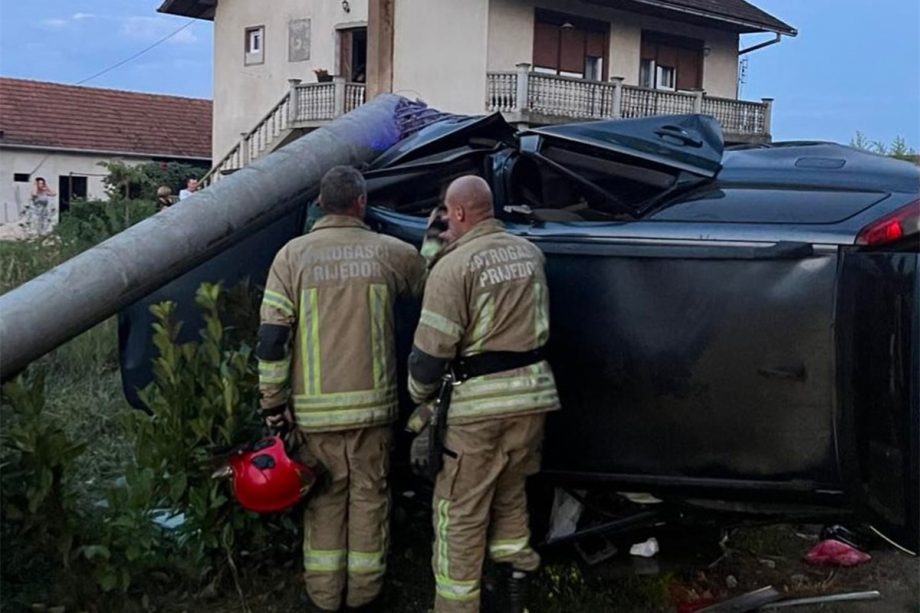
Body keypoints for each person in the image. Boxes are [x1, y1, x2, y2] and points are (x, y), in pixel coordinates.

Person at [257, 165, 426, 612]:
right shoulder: (389, 252)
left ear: (320, 204)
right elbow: (431, 279)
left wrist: (273, 405)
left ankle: (324, 599)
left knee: (323, 505)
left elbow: (272, 340)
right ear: (361, 203)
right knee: (370, 501)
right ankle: (366, 599)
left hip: (315, 418)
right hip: (373, 411)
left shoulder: (291, 257)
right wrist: (435, 236)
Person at [406, 175, 560, 613]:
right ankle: (514, 582)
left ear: (457, 212)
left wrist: (419, 398)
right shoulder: (529, 253)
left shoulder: (454, 268)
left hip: (478, 411)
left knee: (459, 512)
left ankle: (457, 606)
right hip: (532, 399)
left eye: (447, 212)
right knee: (510, 490)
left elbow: (430, 355)